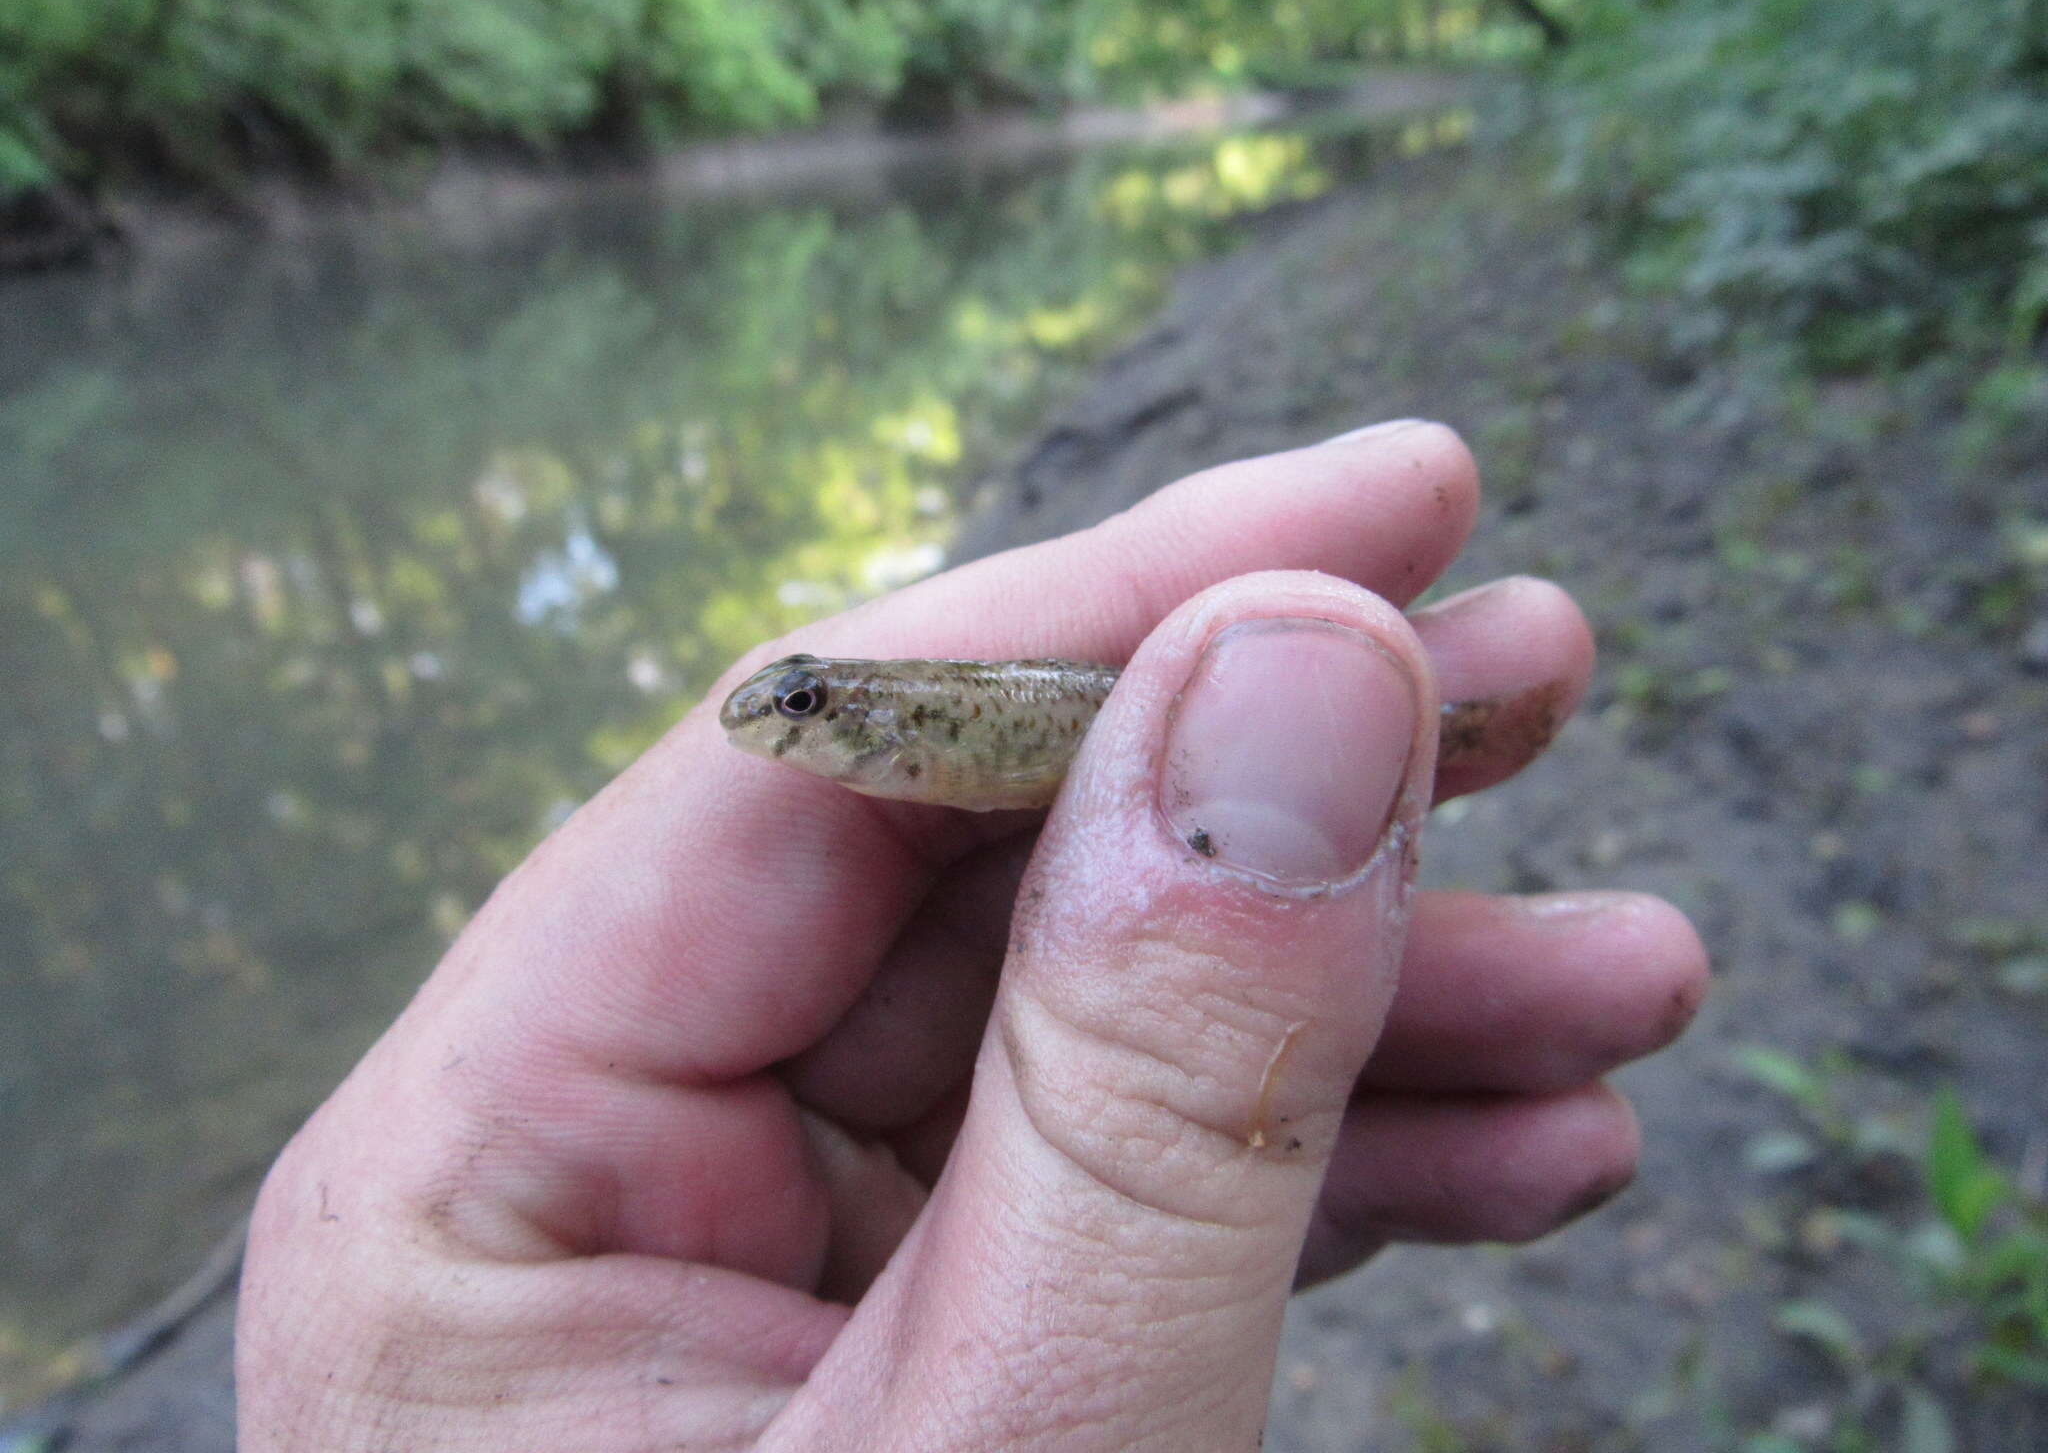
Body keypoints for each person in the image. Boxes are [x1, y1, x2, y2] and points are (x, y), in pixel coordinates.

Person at [236, 420, 1706, 1450]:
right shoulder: (858, 742)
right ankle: (1426, 730)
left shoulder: (890, 715)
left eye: (804, 702)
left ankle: (1437, 729)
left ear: (848, 710)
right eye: (799, 702)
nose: (778, 718)